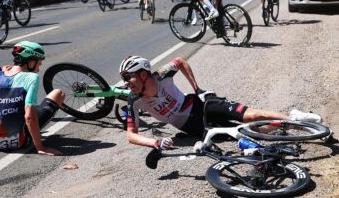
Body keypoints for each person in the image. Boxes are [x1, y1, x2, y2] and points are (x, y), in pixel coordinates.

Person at [119, 56, 322, 150]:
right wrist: (155, 142)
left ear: (144, 74)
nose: (127, 83)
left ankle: (295, 118)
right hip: (192, 126)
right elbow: (131, 135)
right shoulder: (134, 100)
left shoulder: (161, 75)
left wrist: (197, 89)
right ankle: (287, 128)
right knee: (245, 133)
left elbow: (180, 61)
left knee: (252, 116)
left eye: (129, 77)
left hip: (201, 105)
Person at [0, 41, 65, 155]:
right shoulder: (31, 78)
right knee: (58, 93)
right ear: (31, 62)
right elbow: (29, 117)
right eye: (39, 62)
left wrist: (0, 81)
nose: (40, 65)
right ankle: (33, 139)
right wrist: (40, 147)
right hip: (19, 142)